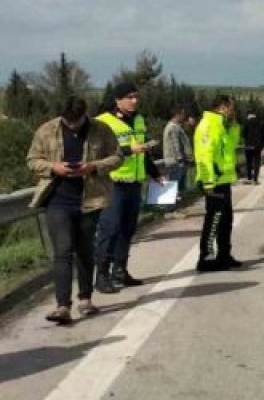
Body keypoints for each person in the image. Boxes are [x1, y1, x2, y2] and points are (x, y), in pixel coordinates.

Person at [27, 96, 122, 324]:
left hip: (90, 199)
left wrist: (93, 167)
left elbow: (118, 157)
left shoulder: (101, 129)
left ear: (84, 115)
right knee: (63, 251)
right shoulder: (46, 130)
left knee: (84, 250)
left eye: (76, 121)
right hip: (57, 200)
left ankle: (86, 299)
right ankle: (62, 306)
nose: (72, 125)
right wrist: (54, 167)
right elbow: (32, 160)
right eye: (67, 121)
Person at [94, 82, 164, 293]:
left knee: (127, 229)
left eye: (136, 97)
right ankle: (102, 275)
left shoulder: (139, 120)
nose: (134, 101)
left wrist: (155, 174)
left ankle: (120, 271)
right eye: (129, 97)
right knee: (110, 229)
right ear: (117, 99)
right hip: (112, 183)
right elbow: (96, 154)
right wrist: (127, 149)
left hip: (134, 183)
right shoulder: (102, 122)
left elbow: (142, 152)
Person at [195, 95, 243, 271]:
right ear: (223, 107)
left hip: (223, 180)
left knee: (226, 220)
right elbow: (204, 156)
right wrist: (208, 182)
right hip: (213, 181)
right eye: (232, 107)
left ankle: (224, 255)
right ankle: (206, 258)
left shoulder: (222, 125)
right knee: (214, 220)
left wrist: (234, 126)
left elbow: (230, 147)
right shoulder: (208, 125)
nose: (233, 111)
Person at [162, 106, 193, 194]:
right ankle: (174, 205)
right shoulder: (173, 128)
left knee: (178, 187)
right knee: (175, 186)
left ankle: (178, 203)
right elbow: (176, 146)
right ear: (177, 115)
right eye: (182, 114)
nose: (184, 116)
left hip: (176, 162)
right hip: (176, 163)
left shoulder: (176, 127)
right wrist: (180, 160)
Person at [241, 112, 264, 184]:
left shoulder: (246, 123)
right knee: (257, 163)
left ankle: (249, 178)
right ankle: (256, 179)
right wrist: (261, 142)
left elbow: (243, 134)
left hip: (248, 146)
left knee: (248, 162)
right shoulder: (261, 123)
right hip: (258, 146)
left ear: (249, 116)